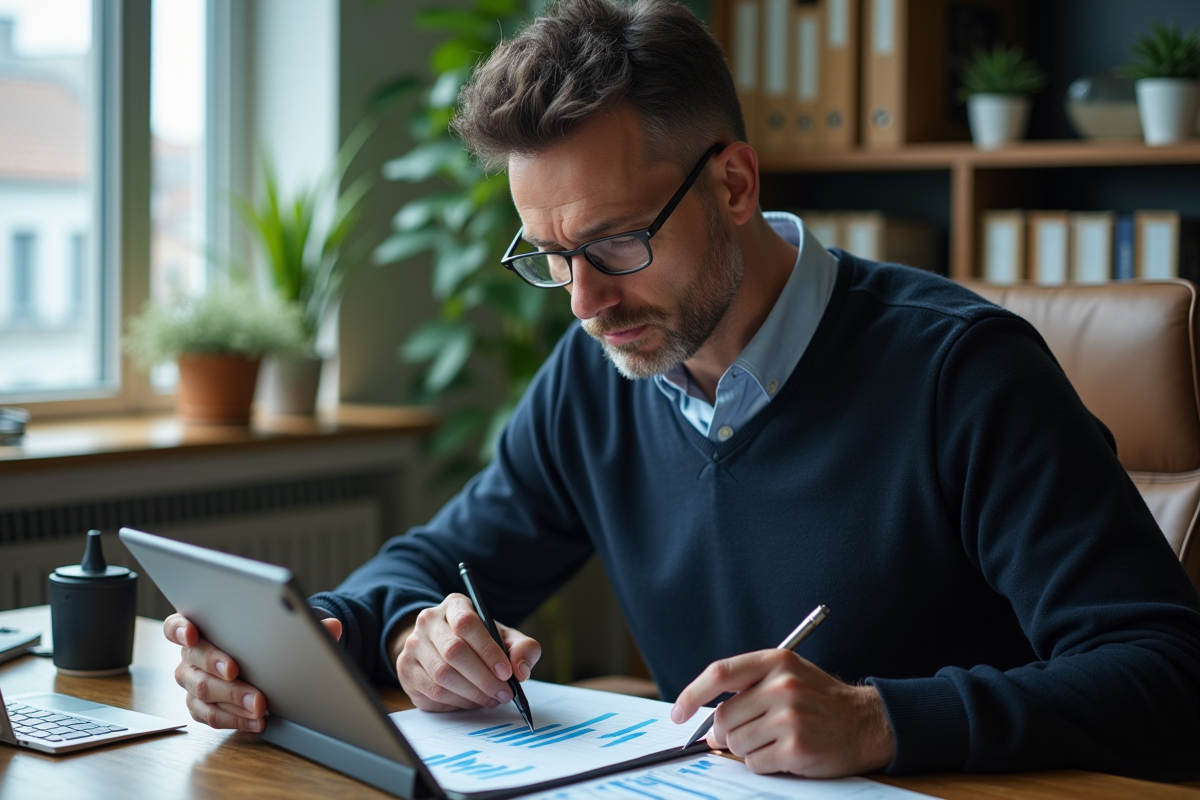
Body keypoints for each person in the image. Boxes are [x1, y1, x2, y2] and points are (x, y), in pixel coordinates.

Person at [164, 0, 1200, 782]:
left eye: (617, 241)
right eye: (550, 255)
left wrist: (881, 719)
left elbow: (1167, 671)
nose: (584, 302)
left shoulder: (962, 373)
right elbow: (434, 561)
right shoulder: (598, 376)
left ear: (734, 184)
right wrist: (378, 634)